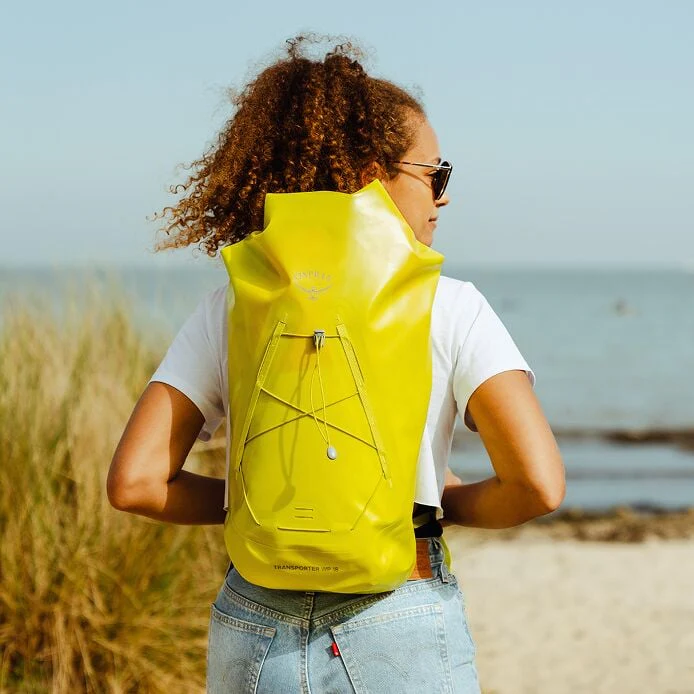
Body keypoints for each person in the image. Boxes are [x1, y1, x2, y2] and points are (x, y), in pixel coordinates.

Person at [107, 34, 565, 694]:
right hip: (395, 611)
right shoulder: (451, 305)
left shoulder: (235, 304)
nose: (442, 198)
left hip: (253, 621)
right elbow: (538, 486)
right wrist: (438, 501)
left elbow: (136, 483)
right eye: (434, 174)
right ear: (372, 176)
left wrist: (250, 508)